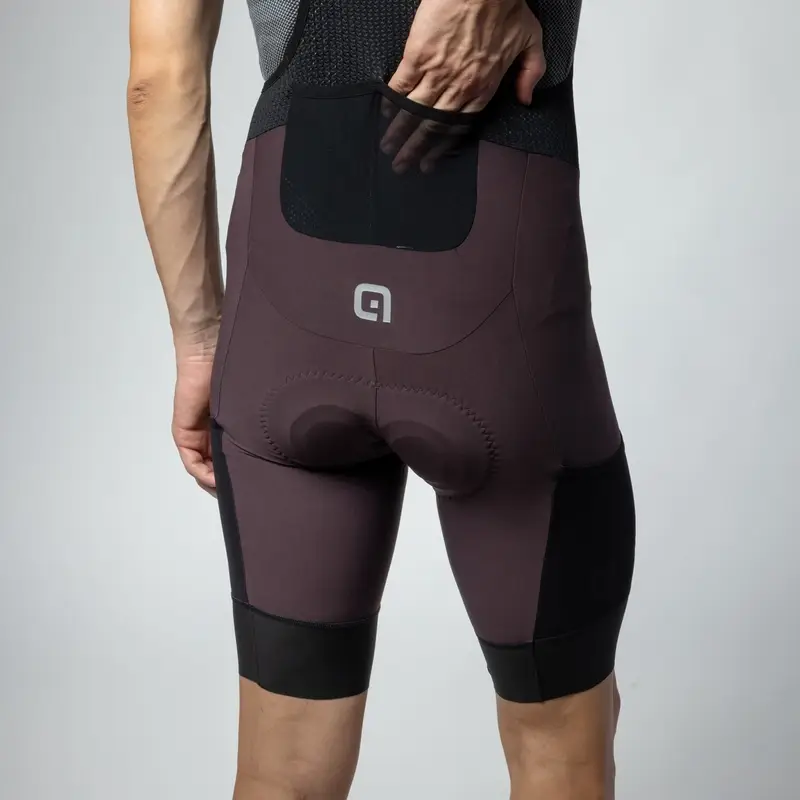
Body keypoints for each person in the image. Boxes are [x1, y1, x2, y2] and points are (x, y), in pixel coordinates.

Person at [127, 0, 636, 797]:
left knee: (283, 771)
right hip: (494, 314)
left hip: (287, 314)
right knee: (559, 745)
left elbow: (160, 79)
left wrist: (198, 342)